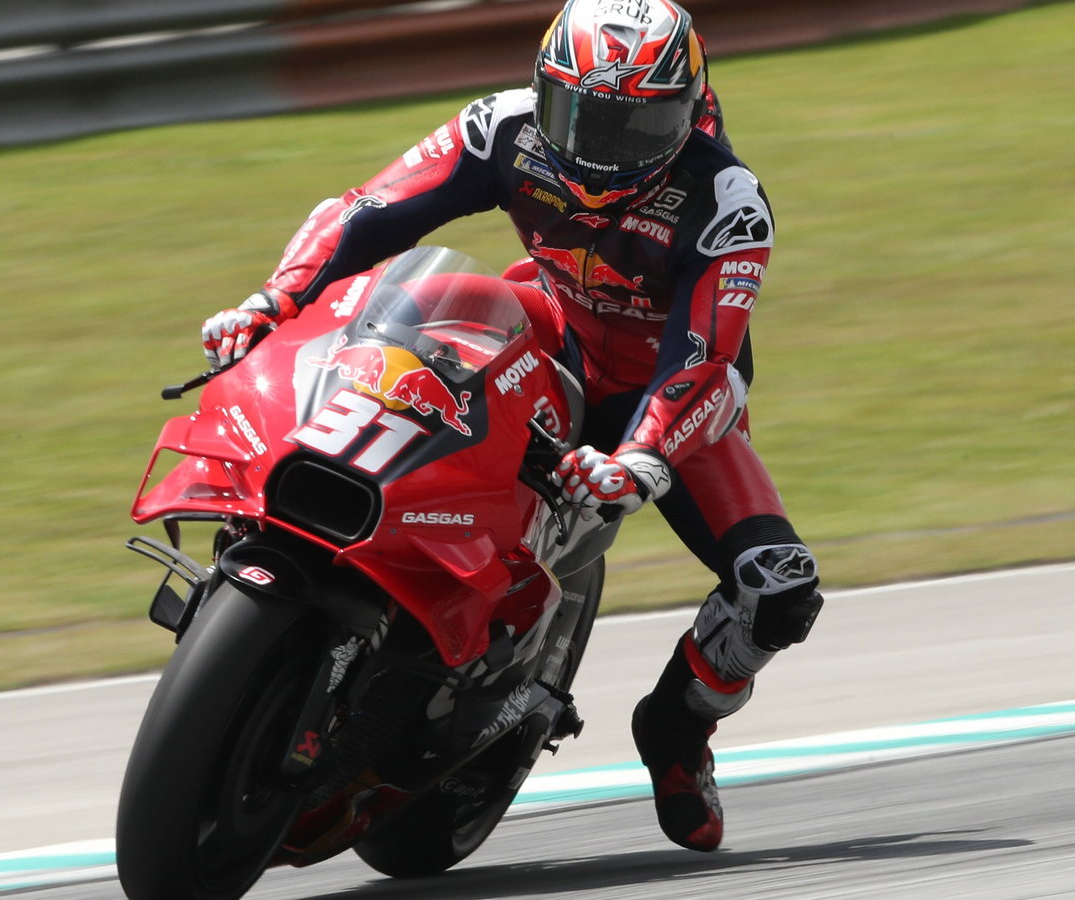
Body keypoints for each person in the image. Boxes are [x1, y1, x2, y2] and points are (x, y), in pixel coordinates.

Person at [199, 0, 822, 853]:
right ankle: (292, 518)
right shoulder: (501, 127)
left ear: (691, 109)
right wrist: (274, 299)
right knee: (409, 307)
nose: (603, 150)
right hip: (546, 330)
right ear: (543, 88)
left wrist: (643, 454)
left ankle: (676, 730)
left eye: (638, 126)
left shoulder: (727, 201)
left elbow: (703, 360)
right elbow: (368, 210)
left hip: (660, 399)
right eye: (583, 117)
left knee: (777, 587)